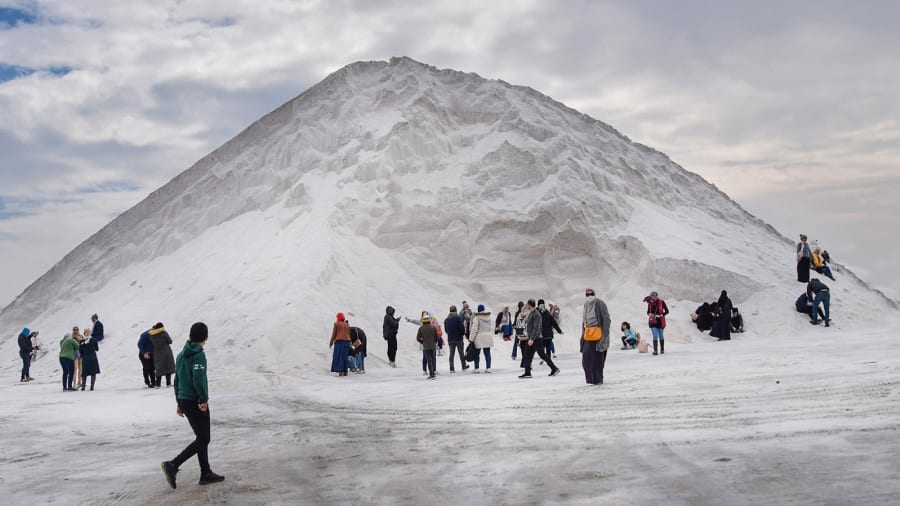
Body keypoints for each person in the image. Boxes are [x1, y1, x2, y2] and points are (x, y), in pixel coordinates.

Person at [161, 322, 225, 489]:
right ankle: (173, 465)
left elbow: (176, 381)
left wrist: (179, 401)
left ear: (190, 336)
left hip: (184, 399)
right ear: (205, 337)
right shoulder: (198, 355)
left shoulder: (182, 354)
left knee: (201, 437)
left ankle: (206, 473)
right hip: (194, 401)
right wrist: (203, 399)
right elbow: (198, 378)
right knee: (204, 438)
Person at [519, 299, 559, 378]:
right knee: (527, 355)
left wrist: (532, 339)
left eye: (528, 305)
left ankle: (554, 368)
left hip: (536, 339)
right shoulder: (532, 313)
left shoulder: (536, 314)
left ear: (530, 305)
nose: (527, 306)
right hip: (531, 338)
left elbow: (536, 328)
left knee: (542, 355)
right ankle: (527, 372)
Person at [582, 288, 611, 385]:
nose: (589, 296)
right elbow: (584, 321)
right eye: (587, 294)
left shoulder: (599, 303)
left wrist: (604, 337)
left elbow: (606, 320)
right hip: (588, 334)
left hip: (599, 334)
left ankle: (598, 380)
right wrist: (582, 335)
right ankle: (591, 380)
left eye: (591, 294)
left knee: (597, 359)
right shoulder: (586, 305)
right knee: (586, 359)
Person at [469, 304, 494, 373]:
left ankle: (477, 368)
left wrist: (471, 339)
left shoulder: (477, 318)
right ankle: (488, 368)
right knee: (487, 353)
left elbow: (474, 329)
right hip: (488, 336)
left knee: (477, 353)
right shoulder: (488, 317)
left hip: (479, 337)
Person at [150, 323, 176, 387]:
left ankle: (158, 384)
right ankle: (168, 383)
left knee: (159, 368)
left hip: (157, 353)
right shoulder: (163, 333)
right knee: (168, 367)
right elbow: (170, 341)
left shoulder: (152, 335)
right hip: (166, 352)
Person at [444, 305, 468, 373]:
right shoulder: (458, 318)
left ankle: (451, 368)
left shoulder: (446, 320)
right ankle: (463, 366)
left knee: (451, 354)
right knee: (461, 353)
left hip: (450, 339)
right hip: (458, 339)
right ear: (456, 310)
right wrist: (462, 334)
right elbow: (462, 328)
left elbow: (446, 330)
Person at [416, 311, 439, 379]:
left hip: (426, 347)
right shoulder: (433, 328)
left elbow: (417, 338)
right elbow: (438, 337)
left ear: (423, 321)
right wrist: (434, 341)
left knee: (429, 360)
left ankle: (431, 374)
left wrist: (422, 342)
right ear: (429, 320)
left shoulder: (421, 328)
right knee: (433, 359)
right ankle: (433, 372)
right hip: (433, 346)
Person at [329, 312, 351, 376]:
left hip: (340, 342)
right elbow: (349, 333)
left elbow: (334, 334)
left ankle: (341, 371)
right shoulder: (347, 324)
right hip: (347, 342)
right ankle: (345, 371)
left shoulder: (336, 324)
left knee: (339, 356)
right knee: (345, 357)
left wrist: (331, 343)